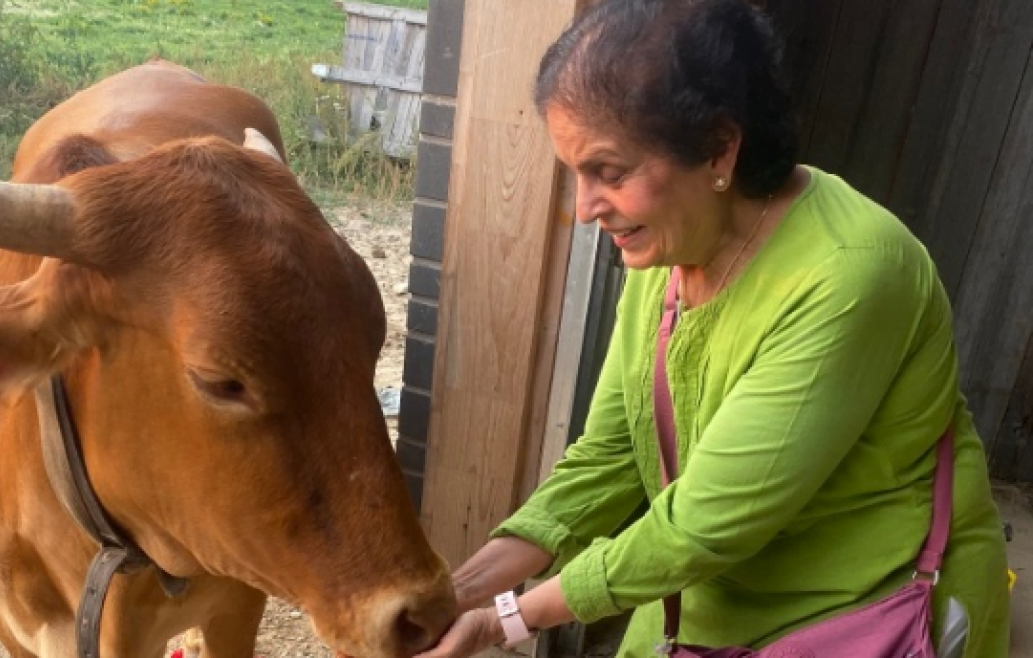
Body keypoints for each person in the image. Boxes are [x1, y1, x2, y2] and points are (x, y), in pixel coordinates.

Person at [412, 0, 1012, 657]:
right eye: (574, 173)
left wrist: (505, 619)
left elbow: (699, 529)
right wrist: (458, 594)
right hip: (711, 594)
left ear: (720, 148)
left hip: (862, 606)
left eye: (609, 173)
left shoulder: (851, 277)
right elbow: (610, 455)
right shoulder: (668, 245)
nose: (585, 209)